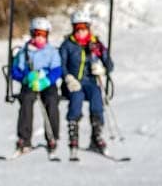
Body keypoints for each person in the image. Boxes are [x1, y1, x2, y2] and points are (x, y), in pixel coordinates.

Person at [59, 11, 114, 155]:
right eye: (78, 27)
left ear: (88, 27)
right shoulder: (68, 45)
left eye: (84, 27)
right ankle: (73, 134)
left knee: (96, 95)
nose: (81, 31)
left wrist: (102, 68)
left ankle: (96, 135)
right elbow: (61, 64)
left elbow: (110, 64)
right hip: (73, 83)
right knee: (76, 97)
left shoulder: (96, 44)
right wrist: (67, 77)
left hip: (90, 82)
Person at [9, 17, 63, 155]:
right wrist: (26, 78)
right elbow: (15, 71)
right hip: (30, 83)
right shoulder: (25, 51)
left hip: (46, 82)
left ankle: (52, 137)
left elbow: (57, 70)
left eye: (43, 35)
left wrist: (46, 81)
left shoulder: (51, 51)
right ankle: (24, 139)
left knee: (51, 100)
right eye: (37, 34)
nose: (40, 38)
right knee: (26, 100)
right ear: (32, 34)